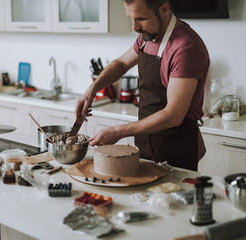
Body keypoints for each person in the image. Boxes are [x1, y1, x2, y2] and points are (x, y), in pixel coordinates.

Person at [75, 0, 210, 171]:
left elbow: (173, 115)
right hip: (144, 146)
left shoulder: (186, 47)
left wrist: (117, 132)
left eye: (141, 19)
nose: (134, 27)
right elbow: (122, 63)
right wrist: (92, 89)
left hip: (176, 151)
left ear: (164, 9)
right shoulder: (147, 38)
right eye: (131, 18)